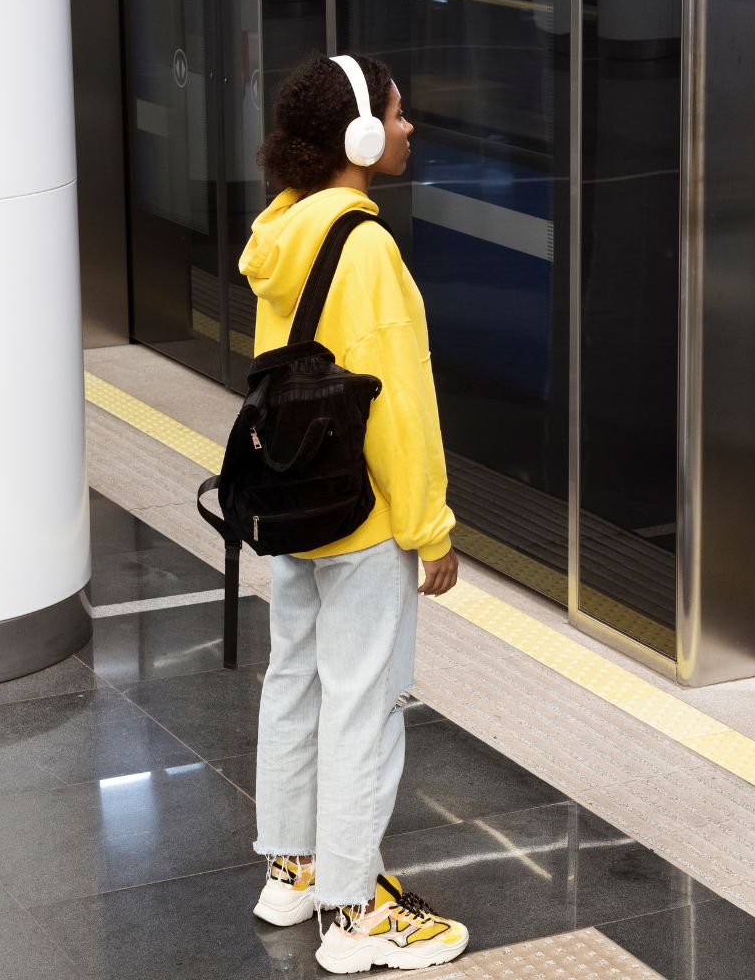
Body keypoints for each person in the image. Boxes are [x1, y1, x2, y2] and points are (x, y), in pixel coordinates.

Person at [239, 53, 468, 973]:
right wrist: (431, 529)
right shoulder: (366, 247)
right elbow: (400, 404)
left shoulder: (281, 232)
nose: (410, 128)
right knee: (364, 704)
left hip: (292, 496)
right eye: (398, 114)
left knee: (293, 680)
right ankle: (354, 913)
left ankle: (292, 871)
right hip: (363, 514)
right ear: (362, 136)